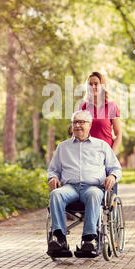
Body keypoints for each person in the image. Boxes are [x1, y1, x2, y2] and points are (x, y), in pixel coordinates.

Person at [47, 110, 122, 258]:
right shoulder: (63, 147)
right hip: (70, 188)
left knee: (94, 194)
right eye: (75, 122)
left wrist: (112, 176)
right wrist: (52, 178)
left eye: (82, 122)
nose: (78, 125)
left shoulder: (102, 146)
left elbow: (116, 168)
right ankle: (60, 240)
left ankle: (89, 240)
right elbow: (53, 170)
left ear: (90, 125)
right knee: (55, 194)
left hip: (93, 187)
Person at [77, 72, 122, 155]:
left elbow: (118, 134)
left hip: (105, 154)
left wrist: (112, 155)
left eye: (96, 84)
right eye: (90, 84)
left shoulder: (111, 106)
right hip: (86, 155)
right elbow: (76, 134)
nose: (93, 87)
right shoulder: (82, 108)